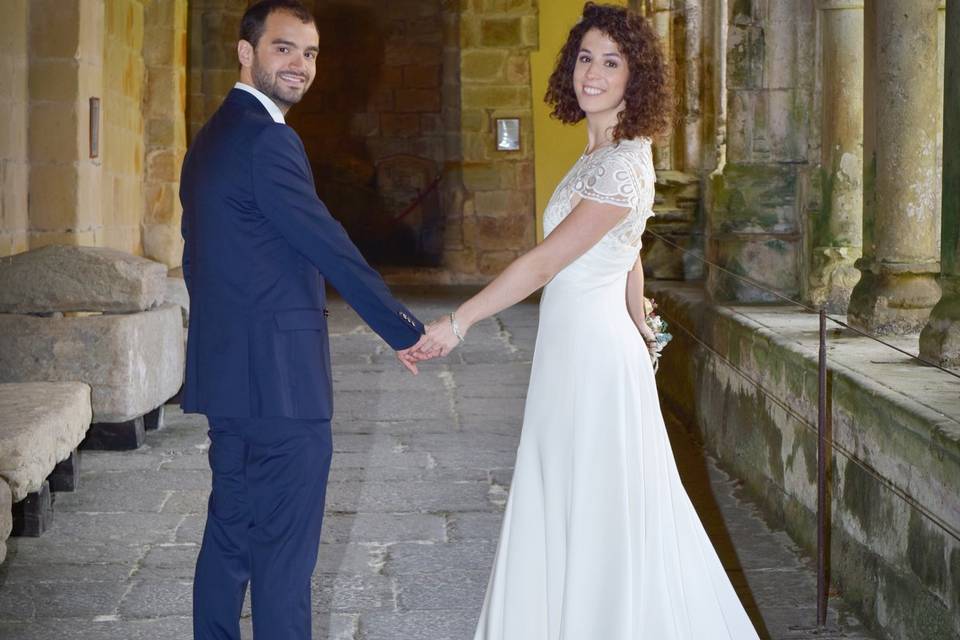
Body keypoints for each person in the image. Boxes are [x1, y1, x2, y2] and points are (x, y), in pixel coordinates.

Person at [412, 3, 761, 639]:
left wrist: (458, 322)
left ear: (636, 77)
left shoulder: (623, 164)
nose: (591, 73)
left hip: (592, 360)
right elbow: (629, 258)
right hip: (583, 347)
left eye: (611, 61)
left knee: (601, 499)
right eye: (584, 58)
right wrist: (642, 322)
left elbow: (545, 264)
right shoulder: (600, 154)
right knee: (570, 486)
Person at [178, 1, 424, 638]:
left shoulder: (211, 138)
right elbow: (328, 243)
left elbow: (204, 258)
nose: (300, 65)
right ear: (246, 51)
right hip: (280, 388)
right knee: (284, 560)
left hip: (230, 378)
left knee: (231, 537)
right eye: (284, 48)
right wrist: (405, 328)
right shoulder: (269, 139)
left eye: (310, 53)